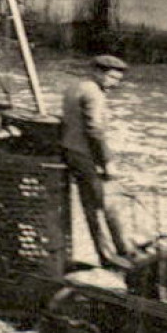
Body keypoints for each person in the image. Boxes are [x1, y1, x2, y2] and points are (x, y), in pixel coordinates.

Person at [60, 54, 132, 269]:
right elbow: (94, 130)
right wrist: (107, 161)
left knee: (94, 204)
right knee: (100, 205)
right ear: (98, 72)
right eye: (111, 78)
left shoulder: (75, 86)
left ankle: (114, 252)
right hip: (86, 155)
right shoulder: (94, 93)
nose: (115, 83)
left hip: (71, 149)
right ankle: (115, 256)